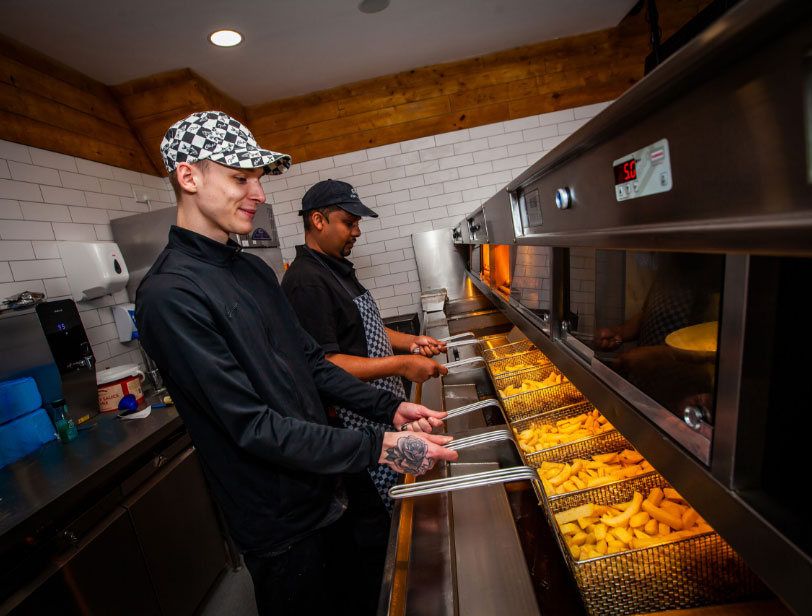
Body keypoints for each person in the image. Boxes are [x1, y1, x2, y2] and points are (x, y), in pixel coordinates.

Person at [135, 111, 458, 616]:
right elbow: (252, 427)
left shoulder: (253, 270)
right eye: (241, 178)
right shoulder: (170, 295)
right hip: (280, 523)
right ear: (189, 177)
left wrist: (386, 411)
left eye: (258, 180)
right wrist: (381, 445)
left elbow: (311, 361)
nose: (259, 194)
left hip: (329, 483)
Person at [280, 179, 448, 611]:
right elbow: (324, 364)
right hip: (351, 423)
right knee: (375, 533)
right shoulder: (305, 283)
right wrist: (401, 366)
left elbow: (365, 330)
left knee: (398, 511)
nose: (356, 232)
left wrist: (409, 342)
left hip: (379, 408)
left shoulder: (336, 267)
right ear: (317, 221)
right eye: (349, 222)